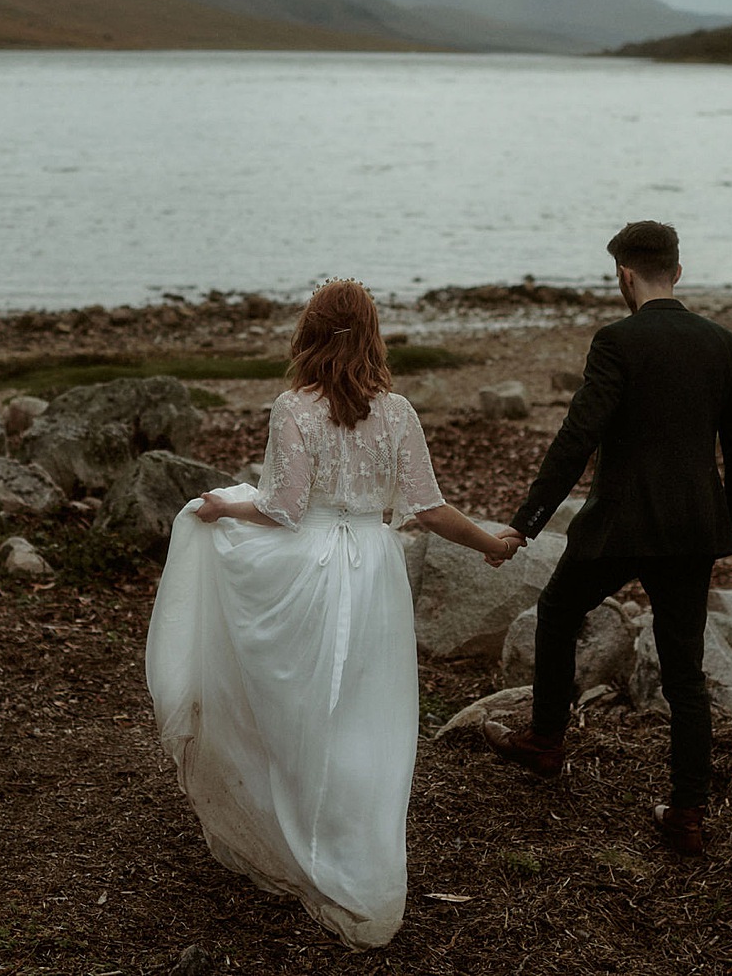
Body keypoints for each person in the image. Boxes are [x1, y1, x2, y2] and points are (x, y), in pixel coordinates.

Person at [145, 278, 521, 949]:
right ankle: (361, 857)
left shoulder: (294, 406)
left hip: (310, 564)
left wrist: (224, 509)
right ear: (374, 335)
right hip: (374, 568)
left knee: (296, 700)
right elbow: (428, 508)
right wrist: (490, 543)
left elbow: (284, 507)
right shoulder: (397, 410)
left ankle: (298, 832)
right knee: (367, 711)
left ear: (310, 335)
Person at [481, 221, 732, 857]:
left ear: (625, 276)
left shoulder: (616, 341)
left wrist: (527, 520)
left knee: (556, 615)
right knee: (684, 673)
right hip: (692, 528)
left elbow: (578, 436)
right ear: (678, 274)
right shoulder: (722, 343)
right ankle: (687, 814)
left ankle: (546, 742)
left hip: (620, 525)